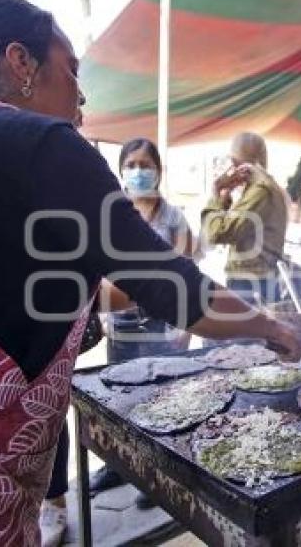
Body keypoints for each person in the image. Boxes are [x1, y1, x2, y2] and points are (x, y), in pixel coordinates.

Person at [0, 0, 301, 546]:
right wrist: (270, 327)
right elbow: (171, 287)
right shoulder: (34, 141)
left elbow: (8, 291)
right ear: (20, 63)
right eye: (72, 70)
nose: (82, 93)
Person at [86, 138, 196, 507]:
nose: (138, 171)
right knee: (121, 398)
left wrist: (184, 325)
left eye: (145, 164)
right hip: (121, 325)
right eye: (130, 164)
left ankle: (157, 477)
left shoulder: (175, 218)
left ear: (159, 171)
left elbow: (185, 275)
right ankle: (116, 466)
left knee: (163, 400)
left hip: (163, 326)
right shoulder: (112, 215)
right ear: (120, 171)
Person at [201, 132, 288, 305]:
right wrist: (225, 200)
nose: (229, 169)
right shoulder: (259, 188)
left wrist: (216, 194)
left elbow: (217, 233)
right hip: (254, 280)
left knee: (247, 332)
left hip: (252, 283)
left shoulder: (261, 191)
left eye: (232, 161)